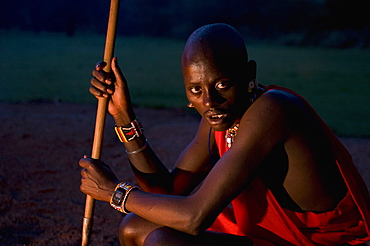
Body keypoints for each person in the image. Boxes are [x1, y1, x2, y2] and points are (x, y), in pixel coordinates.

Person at [79, 23, 370, 246]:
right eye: (196, 90)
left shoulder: (273, 110)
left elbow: (194, 217)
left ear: (248, 75)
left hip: (316, 244)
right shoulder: (222, 116)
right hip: (267, 239)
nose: (209, 102)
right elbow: (165, 192)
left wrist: (113, 192)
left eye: (222, 85)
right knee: (133, 226)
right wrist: (123, 115)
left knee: (161, 241)